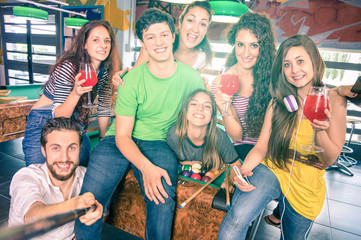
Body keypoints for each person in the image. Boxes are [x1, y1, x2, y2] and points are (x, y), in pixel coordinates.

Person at [74, 8, 205, 240]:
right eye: (150, 37)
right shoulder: (131, 80)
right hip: (118, 139)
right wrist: (146, 167)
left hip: (158, 142)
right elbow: (123, 136)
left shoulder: (193, 79)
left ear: (173, 36)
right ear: (143, 42)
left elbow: (198, 121)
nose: (159, 42)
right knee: (88, 203)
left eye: (164, 35)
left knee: (162, 197)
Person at [217, 35, 347, 240]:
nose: (294, 70)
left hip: (306, 181)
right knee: (236, 219)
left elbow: (329, 159)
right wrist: (243, 170)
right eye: (287, 64)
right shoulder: (279, 102)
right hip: (273, 168)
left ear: (315, 61)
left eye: (300, 61)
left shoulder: (334, 100)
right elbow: (261, 147)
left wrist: (319, 130)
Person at [22, 20, 120, 167]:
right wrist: (75, 93)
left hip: (74, 121)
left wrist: (102, 138)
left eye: (107, 41)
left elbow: (104, 105)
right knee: (39, 173)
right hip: (44, 119)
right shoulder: (68, 68)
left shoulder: (104, 70)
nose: (103, 45)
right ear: (84, 44)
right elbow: (59, 116)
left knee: (81, 166)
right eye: (96, 40)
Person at [8, 117, 103, 240]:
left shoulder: (87, 177)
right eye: (56, 148)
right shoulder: (25, 177)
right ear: (44, 150)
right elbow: (32, 216)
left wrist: (95, 211)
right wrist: (72, 205)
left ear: (79, 149)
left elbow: (99, 214)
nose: (64, 158)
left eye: (72, 148)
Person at [213, 12, 276, 160]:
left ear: (264, 47)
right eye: (240, 44)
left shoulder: (276, 75)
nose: (246, 53)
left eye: (254, 45)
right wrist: (224, 108)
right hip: (244, 148)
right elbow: (237, 136)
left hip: (274, 147)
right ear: (234, 44)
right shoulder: (222, 82)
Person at [113, 0, 213, 87]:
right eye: (190, 20)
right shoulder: (157, 45)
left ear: (206, 30)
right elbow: (133, 78)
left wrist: (201, 84)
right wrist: (121, 77)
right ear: (181, 22)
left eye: (203, 24)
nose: (195, 29)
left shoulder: (202, 58)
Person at [166, 89, 241, 187]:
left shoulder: (220, 137)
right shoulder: (174, 134)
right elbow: (173, 162)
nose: (200, 109)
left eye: (207, 106)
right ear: (185, 110)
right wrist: (186, 163)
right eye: (194, 104)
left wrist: (229, 181)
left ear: (212, 115)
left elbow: (236, 165)